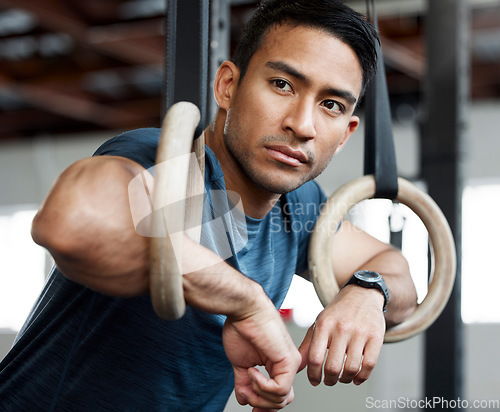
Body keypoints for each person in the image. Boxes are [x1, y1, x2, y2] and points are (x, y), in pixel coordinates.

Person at [0, 0, 417, 410]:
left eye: (331, 105)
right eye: (282, 84)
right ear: (227, 86)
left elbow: (391, 266)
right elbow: (70, 224)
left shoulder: (298, 205)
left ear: (345, 134)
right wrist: (246, 302)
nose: (303, 125)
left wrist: (368, 291)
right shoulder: (166, 162)